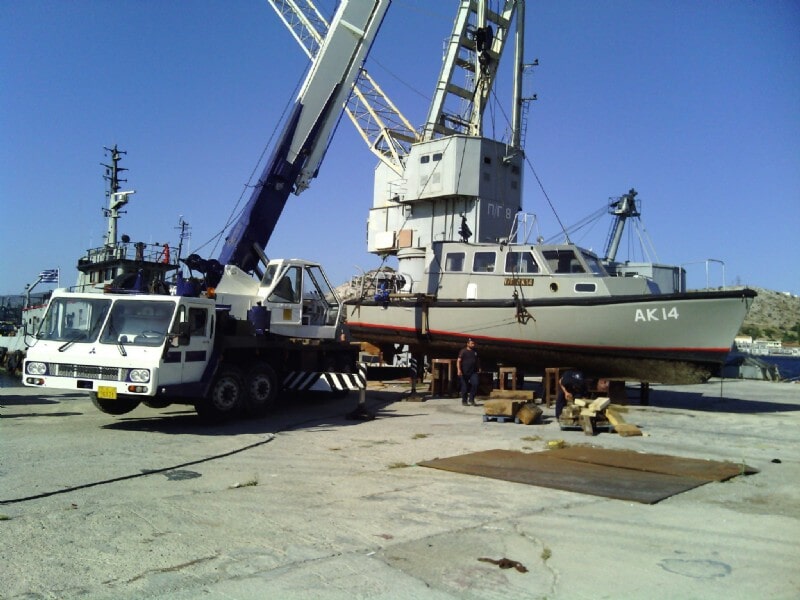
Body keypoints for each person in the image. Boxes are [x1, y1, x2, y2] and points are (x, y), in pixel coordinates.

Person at [457, 338, 480, 406]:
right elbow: (458, 361)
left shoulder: (475, 352)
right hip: (464, 372)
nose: (473, 345)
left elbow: (477, 360)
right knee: (465, 387)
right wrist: (459, 370)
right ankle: (464, 401)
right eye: (472, 343)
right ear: (468, 344)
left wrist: (479, 367)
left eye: (473, 343)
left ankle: (471, 399)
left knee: (475, 384)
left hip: (473, 372)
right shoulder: (463, 351)